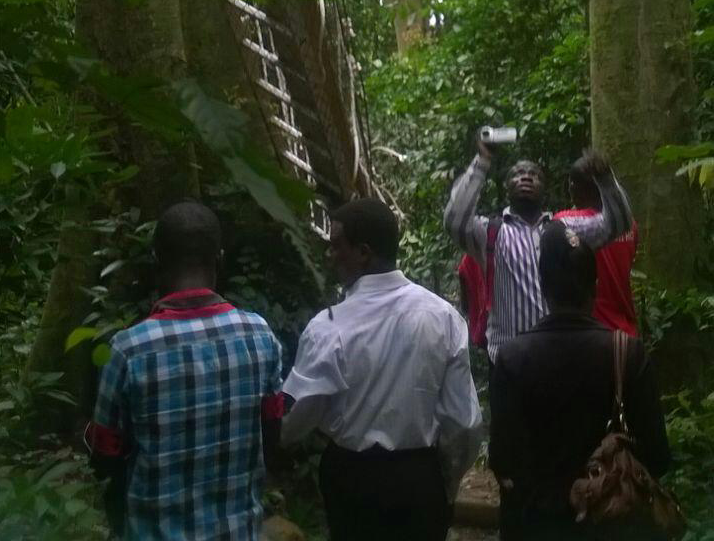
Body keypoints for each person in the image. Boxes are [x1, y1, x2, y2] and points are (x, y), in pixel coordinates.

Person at [281, 198, 483, 541]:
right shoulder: (442, 316)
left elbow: (298, 420)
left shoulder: (329, 327)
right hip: (419, 480)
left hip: (352, 480)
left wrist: (278, 433)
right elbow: (464, 423)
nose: (329, 256)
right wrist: (445, 482)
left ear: (363, 252)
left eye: (336, 247)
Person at [87, 200, 283, 541]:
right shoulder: (260, 336)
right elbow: (271, 437)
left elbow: (105, 461)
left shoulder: (129, 350)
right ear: (219, 258)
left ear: (156, 261)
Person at [488, 221, 670, 540]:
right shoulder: (626, 352)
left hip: (537, 524)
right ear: (595, 287)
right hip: (612, 525)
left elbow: (504, 460)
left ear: (542, 286)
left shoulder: (512, 356)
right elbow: (657, 455)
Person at [444, 141, 633, 366]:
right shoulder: (490, 233)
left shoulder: (564, 229)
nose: (526, 177)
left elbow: (619, 223)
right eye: (518, 174)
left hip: (560, 362)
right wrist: (482, 162)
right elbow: (455, 220)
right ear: (507, 187)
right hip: (510, 365)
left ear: (545, 188)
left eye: (534, 175)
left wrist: (604, 178)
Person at [556, 151, 639, 335]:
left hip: (591, 331)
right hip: (626, 331)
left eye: (573, 182)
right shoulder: (630, 225)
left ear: (579, 188)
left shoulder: (566, 222)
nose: (570, 187)